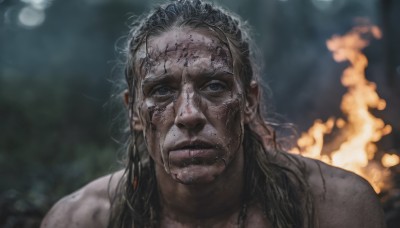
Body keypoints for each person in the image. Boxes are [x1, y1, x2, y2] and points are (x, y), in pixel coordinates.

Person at [40, 0, 386, 227]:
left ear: (249, 102)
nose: (189, 115)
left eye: (215, 86)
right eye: (162, 90)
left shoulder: (337, 209)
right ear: (134, 111)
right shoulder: (81, 219)